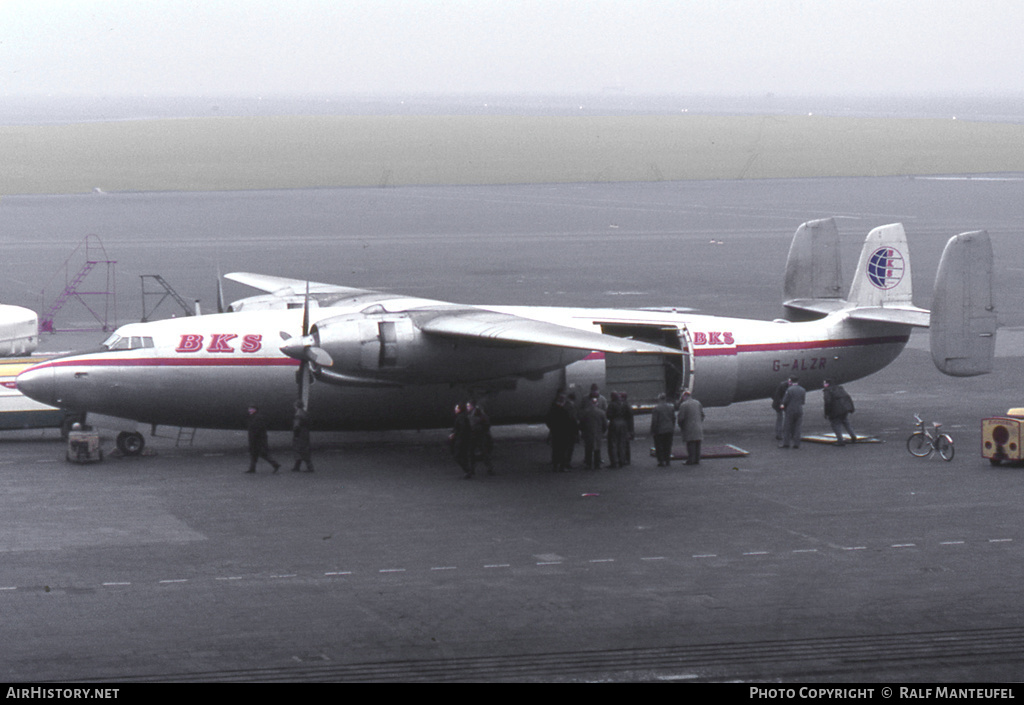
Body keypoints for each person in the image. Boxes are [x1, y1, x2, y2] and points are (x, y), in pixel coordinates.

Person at [545, 393, 578, 472]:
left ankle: (555, 465)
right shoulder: (564, 411)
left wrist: (552, 428)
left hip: (555, 432)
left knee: (556, 449)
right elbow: (571, 422)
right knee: (563, 449)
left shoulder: (552, 410)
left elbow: (548, 420)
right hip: (564, 433)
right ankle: (562, 466)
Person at [245, 405, 280, 473]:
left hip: (258, 440)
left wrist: (254, 438)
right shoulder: (254, 417)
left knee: (262, 454)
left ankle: (275, 464)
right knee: (254, 454)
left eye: (250, 409)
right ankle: (252, 468)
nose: (249, 410)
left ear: (254, 410)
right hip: (256, 439)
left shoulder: (257, 418)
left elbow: (257, 429)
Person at [822, 379, 858, 446]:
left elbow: (827, 402)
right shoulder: (840, 389)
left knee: (835, 424)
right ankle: (853, 436)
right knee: (846, 422)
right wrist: (851, 408)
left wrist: (826, 413)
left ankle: (840, 440)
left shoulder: (827, 391)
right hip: (844, 408)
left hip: (835, 410)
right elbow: (848, 398)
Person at [579, 395, 608, 469]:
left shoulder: (585, 412)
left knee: (588, 448)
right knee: (597, 448)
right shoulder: (601, 413)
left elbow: (581, 424)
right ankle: (597, 463)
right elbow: (605, 424)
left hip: (588, 433)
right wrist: (602, 431)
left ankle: (588, 463)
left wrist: (583, 431)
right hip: (598, 433)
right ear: (597, 403)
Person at [677, 390, 705, 465]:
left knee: (691, 445)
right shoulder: (697, 403)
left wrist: (681, 426)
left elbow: (681, 418)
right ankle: (697, 459)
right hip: (698, 427)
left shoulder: (684, 405)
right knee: (697, 444)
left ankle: (691, 460)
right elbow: (702, 415)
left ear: (684, 396)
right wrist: (699, 421)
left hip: (689, 428)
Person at [605, 391, 633, 468]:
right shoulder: (623, 404)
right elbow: (629, 414)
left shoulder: (611, 404)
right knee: (622, 443)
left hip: (614, 423)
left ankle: (615, 462)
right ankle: (622, 460)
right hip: (623, 424)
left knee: (613, 444)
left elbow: (608, 415)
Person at [467, 401, 494, 476]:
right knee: (475, 452)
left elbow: (485, 424)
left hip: (478, 435)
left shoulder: (477, 415)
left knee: (481, 452)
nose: (467, 407)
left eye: (468, 406)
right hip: (476, 435)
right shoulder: (473, 414)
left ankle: (473, 469)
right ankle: (487, 468)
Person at [779, 377, 807, 449]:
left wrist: (783, 405)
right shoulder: (802, 389)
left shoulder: (789, 389)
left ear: (791, 382)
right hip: (799, 409)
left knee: (787, 427)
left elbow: (785, 400)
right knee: (798, 427)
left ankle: (786, 443)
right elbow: (803, 401)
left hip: (790, 410)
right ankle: (796, 444)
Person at [650, 393, 676, 467]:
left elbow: (655, 421)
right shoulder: (671, 408)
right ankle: (667, 460)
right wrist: (672, 427)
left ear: (659, 399)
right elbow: (673, 418)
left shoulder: (656, 408)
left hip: (660, 430)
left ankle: (661, 461)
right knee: (668, 445)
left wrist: (653, 430)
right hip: (669, 429)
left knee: (659, 446)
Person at [450, 403, 473, 478]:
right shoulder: (463, 417)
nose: (455, 409)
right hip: (464, 439)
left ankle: (467, 470)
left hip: (461, 439)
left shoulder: (460, 418)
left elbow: (461, 428)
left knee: (458, 455)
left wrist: (455, 434)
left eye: (457, 408)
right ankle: (469, 470)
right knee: (464, 455)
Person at [290, 400, 314, 472]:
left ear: (296, 406)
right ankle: (298, 466)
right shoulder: (306, 413)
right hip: (305, 433)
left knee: (298, 449)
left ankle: (308, 467)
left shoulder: (298, 414)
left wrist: (296, 434)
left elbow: (296, 426)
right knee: (305, 449)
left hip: (300, 434)